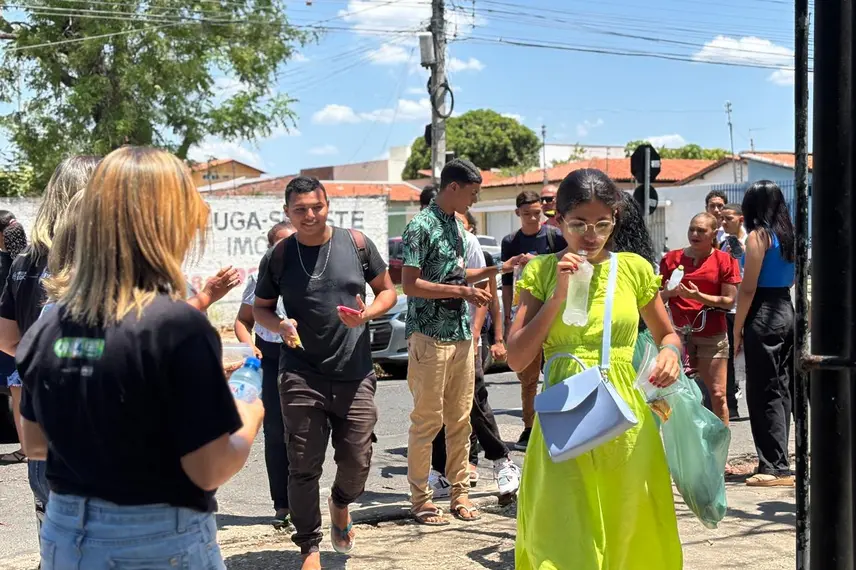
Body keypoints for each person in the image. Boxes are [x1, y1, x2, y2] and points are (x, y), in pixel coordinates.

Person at [15, 146, 264, 569]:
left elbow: (35, 443)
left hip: (65, 537)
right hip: (158, 539)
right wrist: (247, 411)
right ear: (166, 222)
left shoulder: (47, 326)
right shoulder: (176, 326)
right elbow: (208, 469)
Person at [508, 168, 683, 570]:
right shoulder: (541, 272)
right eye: (579, 224)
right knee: (561, 524)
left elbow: (668, 334)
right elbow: (517, 358)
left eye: (602, 223)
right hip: (564, 411)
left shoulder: (635, 270)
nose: (591, 234)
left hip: (626, 415)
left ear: (615, 219)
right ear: (558, 221)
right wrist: (559, 295)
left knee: (629, 518)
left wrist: (670, 354)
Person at [253, 176, 396, 570]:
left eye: (316, 207)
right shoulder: (280, 255)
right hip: (300, 373)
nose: (310, 215)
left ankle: (340, 503)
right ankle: (309, 547)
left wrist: (367, 313)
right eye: (300, 210)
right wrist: (279, 325)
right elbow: (261, 307)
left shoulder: (357, 244)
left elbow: (388, 291)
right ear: (288, 212)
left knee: (357, 458)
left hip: (355, 371)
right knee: (302, 464)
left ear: (327, 205)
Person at [402, 158, 492, 526]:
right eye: (471, 193)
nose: (473, 201)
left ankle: (460, 494)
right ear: (453, 188)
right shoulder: (419, 226)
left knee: (460, 420)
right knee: (427, 422)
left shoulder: (456, 227)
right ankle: (421, 499)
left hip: (459, 335)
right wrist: (460, 291)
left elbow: (456, 272)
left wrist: (497, 269)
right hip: (428, 336)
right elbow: (411, 283)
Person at [429, 211, 521, 500]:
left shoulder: (469, 243)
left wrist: (480, 333)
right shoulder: (425, 239)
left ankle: (501, 460)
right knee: (436, 404)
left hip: (467, 336)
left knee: (474, 398)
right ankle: (441, 470)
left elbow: (484, 292)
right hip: (432, 337)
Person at [733, 181, 796, 487]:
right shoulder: (789, 236)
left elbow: (748, 287)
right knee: (780, 387)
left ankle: (774, 467)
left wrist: (737, 327)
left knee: (762, 390)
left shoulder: (758, 236)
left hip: (763, 311)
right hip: (785, 306)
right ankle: (779, 460)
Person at [234, 220, 295, 529]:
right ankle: (282, 505)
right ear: (271, 248)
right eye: (281, 244)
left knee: (305, 430)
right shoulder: (260, 276)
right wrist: (250, 348)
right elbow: (243, 321)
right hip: (270, 356)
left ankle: (304, 501)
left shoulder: (311, 273)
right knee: (274, 431)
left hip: (303, 357)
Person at [501, 190, 567, 451]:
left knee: (555, 371)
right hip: (524, 312)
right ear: (518, 213)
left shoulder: (554, 237)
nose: (532, 218)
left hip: (553, 313)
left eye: (537, 213)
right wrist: (508, 317)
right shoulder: (510, 241)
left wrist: (536, 261)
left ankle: (556, 422)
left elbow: (568, 262)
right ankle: (529, 428)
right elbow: (506, 281)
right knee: (527, 378)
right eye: (526, 213)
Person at [660, 213, 741, 425]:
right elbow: (656, 297)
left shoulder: (724, 260)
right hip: (678, 335)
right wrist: (669, 293)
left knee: (717, 395)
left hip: (711, 334)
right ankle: (686, 445)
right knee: (676, 396)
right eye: (692, 229)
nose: (694, 234)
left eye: (701, 230)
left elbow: (728, 301)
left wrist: (697, 296)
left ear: (714, 234)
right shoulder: (670, 260)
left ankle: (720, 451)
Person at [0, 215, 27, 465]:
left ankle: (25, 450)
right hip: (28, 333)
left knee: (18, 395)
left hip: (10, 337)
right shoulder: (28, 259)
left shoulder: (5, 262)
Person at [721, 204, 748, 421]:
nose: (723, 222)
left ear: (741, 219)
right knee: (727, 358)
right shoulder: (723, 245)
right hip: (728, 309)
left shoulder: (752, 242)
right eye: (721, 219)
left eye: (728, 218)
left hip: (748, 307)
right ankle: (732, 405)